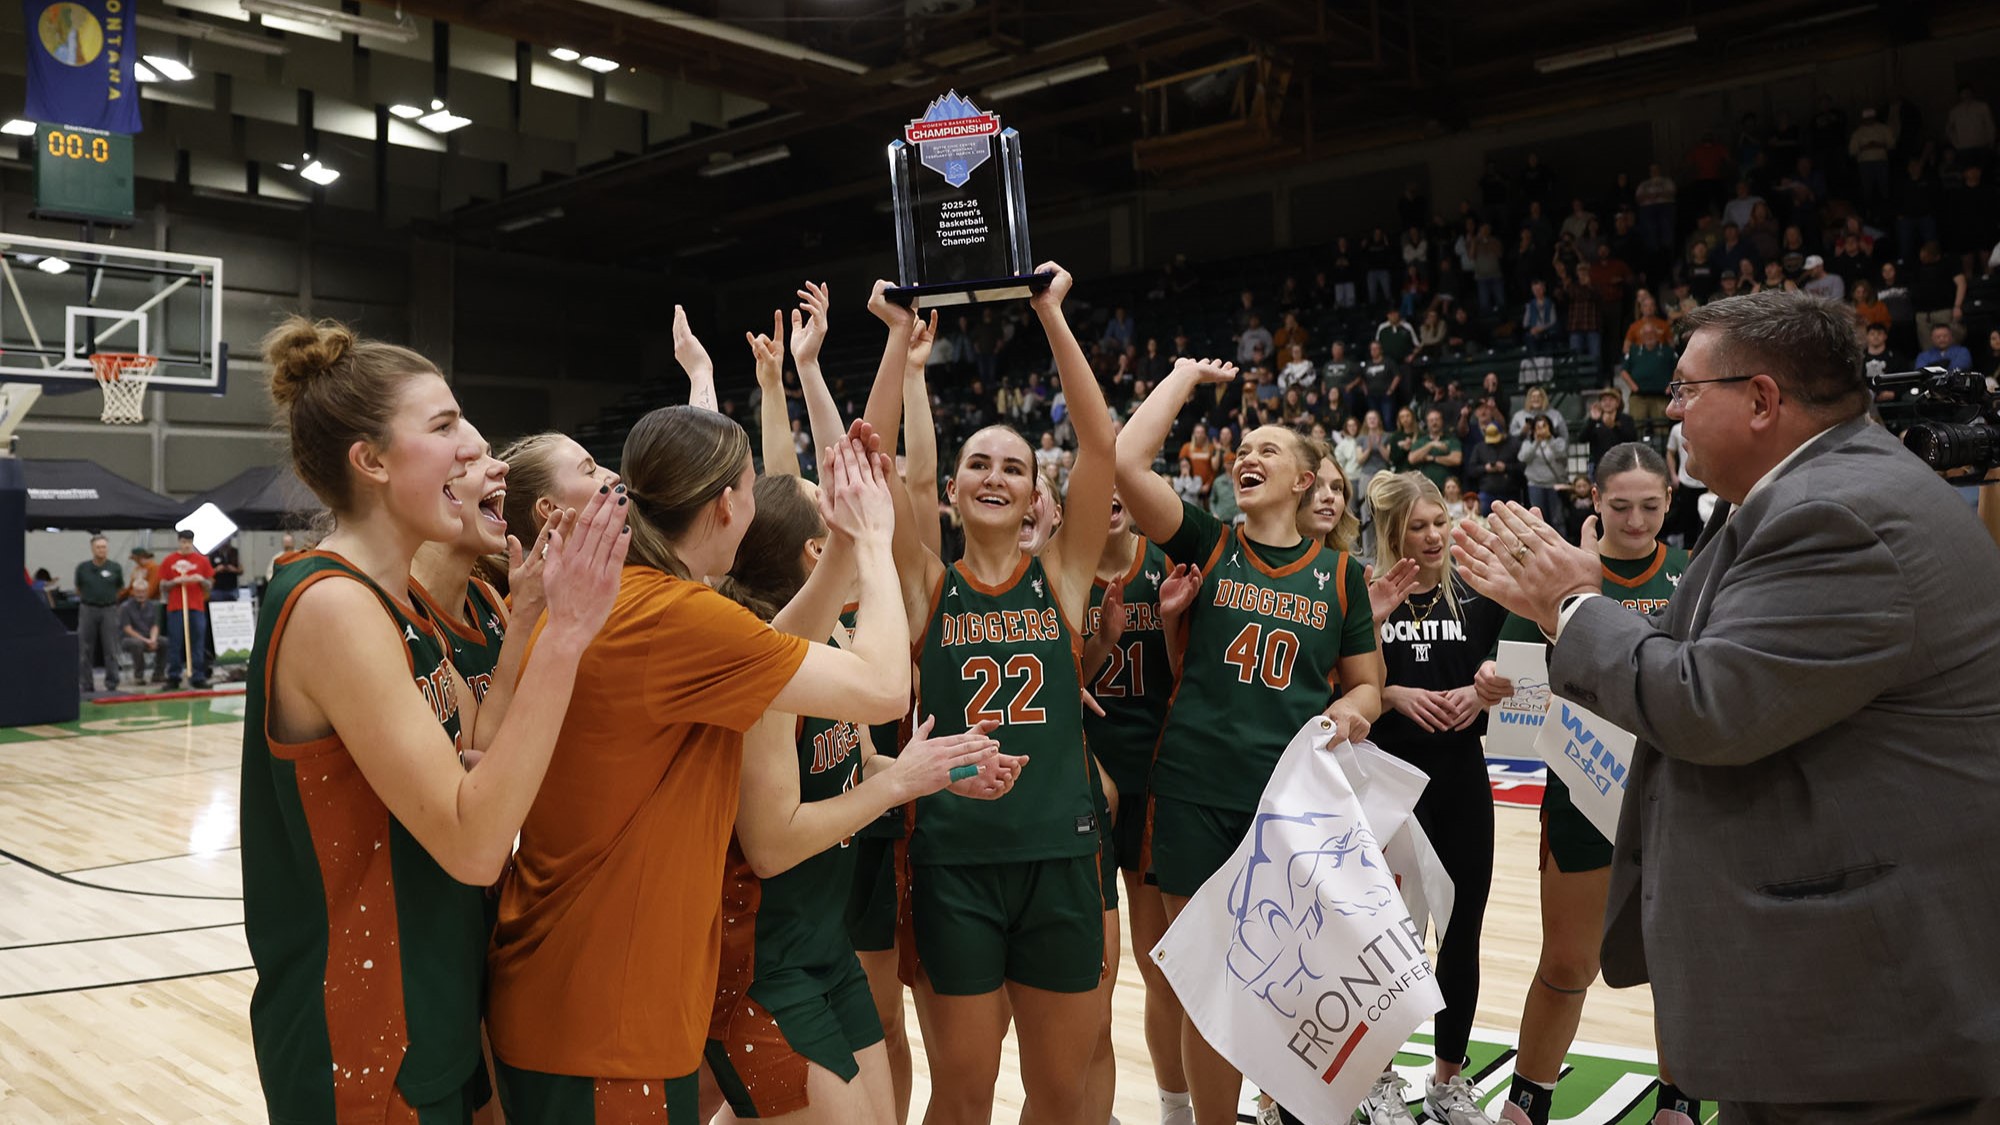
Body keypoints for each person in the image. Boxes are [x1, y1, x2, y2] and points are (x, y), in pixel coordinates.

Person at [1452, 290, 2000, 1122]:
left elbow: (1703, 701)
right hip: (1850, 991)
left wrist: (1570, 609)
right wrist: (1562, 608)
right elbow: (1686, 652)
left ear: (1761, 400)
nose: (1670, 409)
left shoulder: (1836, 513)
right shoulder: (1818, 493)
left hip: (1866, 1015)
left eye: (1684, 389)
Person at [239, 315, 629, 1124]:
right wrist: (567, 636)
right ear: (372, 460)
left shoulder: (403, 601)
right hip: (361, 1031)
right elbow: (476, 843)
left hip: (431, 1001)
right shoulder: (333, 605)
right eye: (445, 426)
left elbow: (479, 767)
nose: (474, 450)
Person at [1116, 358, 1383, 1125]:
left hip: (1290, 808)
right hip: (1194, 791)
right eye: (1243, 447)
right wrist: (1179, 379)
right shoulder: (1208, 540)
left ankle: (1285, 1106)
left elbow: (1366, 682)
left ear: (1306, 480)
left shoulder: (1339, 576)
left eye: (1269, 448)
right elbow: (1128, 462)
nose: (1247, 455)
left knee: (1284, 981)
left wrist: (1349, 713)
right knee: (1213, 986)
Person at [707, 471, 1012, 1125]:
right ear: (819, 552)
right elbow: (771, 842)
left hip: (824, 947)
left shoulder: (834, 639)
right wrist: (895, 786)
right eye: (832, 505)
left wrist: (932, 770)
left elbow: (854, 751)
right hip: (759, 964)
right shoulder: (756, 659)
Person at [1480, 443, 1702, 1125]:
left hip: (1675, 796)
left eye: (1651, 506)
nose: (1636, 521)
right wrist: (1495, 685)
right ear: (1594, 501)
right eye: (1620, 506)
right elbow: (1514, 688)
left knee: (1674, 958)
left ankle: (1678, 1100)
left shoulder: (1693, 577)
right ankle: (1527, 1098)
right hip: (1582, 792)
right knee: (1568, 960)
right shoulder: (1559, 578)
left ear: (1670, 501)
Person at [1359, 471, 1509, 1125]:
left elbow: (1534, 657)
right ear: (1393, 533)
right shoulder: (1366, 595)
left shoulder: (1477, 594)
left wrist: (1487, 688)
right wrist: (1391, 693)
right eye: (1416, 526)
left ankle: (1448, 1082)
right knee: (1390, 940)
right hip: (1387, 783)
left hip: (1461, 776)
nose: (1431, 537)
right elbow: (1335, 680)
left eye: (1438, 523)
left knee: (1462, 931)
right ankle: (1378, 1076)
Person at [1080, 489, 1191, 1125]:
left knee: (1161, 967)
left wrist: (1173, 620)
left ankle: (1175, 1108)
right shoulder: (1055, 571)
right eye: (1102, 478)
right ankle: (1093, 1108)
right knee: (1090, 978)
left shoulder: (1168, 565)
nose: (1112, 492)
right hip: (1083, 786)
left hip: (1155, 783)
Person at [158, 529, 215, 690]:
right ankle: (174, 676)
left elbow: (210, 585)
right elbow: (163, 586)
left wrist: (201, 579)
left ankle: (198, 676)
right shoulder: (169, 561)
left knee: (197, 641)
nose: (186, 546)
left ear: (192, 543)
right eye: (183, 542)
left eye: (189, 543)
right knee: (175, 642)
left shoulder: (201, 561)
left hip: (196, 606)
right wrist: (175, 581)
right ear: (179, 542)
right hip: (176, 607)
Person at [74, 534, 124, 694]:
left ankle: (112, 683)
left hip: (109, 609)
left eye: (104, 547)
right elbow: (78, 588)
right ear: (92, 549)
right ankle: (86, 684)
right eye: (98, 547)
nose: (102, 550)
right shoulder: (83, 568)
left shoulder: (115, 567)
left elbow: (120, 588)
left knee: (111, 648)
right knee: (85, 648)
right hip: (88, 609)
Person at [1519, 416, 1569, 536]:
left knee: (1558, 519)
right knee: (1539, 519)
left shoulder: (1558, 441)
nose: (1541, 430)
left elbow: (1562, 454)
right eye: (1538, 427)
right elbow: (1522, 457)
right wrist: (1536, 442)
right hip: (1535, 485)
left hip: (1554, 484)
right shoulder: (1528, 443)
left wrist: (1549, 439)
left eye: (1544, 426)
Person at [1662, 421, 1707, 549]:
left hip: (1707, 483)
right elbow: (1670, 452)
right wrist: (1673, 475)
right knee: (1688, 523)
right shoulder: (1676, 429)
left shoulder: (1706, 425)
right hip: (1686, 482)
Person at [117, 572, 163, 684]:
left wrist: (152, 639)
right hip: (128, 639)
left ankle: (158, 674)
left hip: (148, 636)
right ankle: (139, 676)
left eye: (143, 592)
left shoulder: (152, 606)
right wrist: (146, 640)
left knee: (164, 642)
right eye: (138, 592)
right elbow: (127, 629)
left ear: (147, 592)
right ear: (133, 592)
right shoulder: (125, 607)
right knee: (137, 644)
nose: (140, 594)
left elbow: (155, 626)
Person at [1407, 408, 1464, 493]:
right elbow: (1412, 459)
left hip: (1447, 488)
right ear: (1427, 423)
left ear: (1442, 421)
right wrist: (1430, 445)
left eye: (1437, 419)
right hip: (1425, 487)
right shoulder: (1421, 441)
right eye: (1431, 420)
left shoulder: (1451, 440)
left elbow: (1456, 460)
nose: (1434, 423)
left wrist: (1433, 458)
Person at [208, 536, 244, 602]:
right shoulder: (213, 553)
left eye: (227, 541)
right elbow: (208, 572)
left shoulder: (235, 552)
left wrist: (234, 569)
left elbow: (241, 570)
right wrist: (217, 570)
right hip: (217, 588)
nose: (225, 543)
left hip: (232, 587)